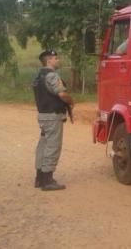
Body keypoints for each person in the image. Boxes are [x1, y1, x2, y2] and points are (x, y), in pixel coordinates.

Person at [32, 49, 74, 191]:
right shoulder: (52, 76)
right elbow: (62, 94)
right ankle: (47, 180)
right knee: (53, 146)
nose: (58, 60)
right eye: (56, 58)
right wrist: (71, 101)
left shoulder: (39, 76)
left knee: (43, 145)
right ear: (49, 60)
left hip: (43, 115)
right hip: (52, 116)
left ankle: (39, 177)